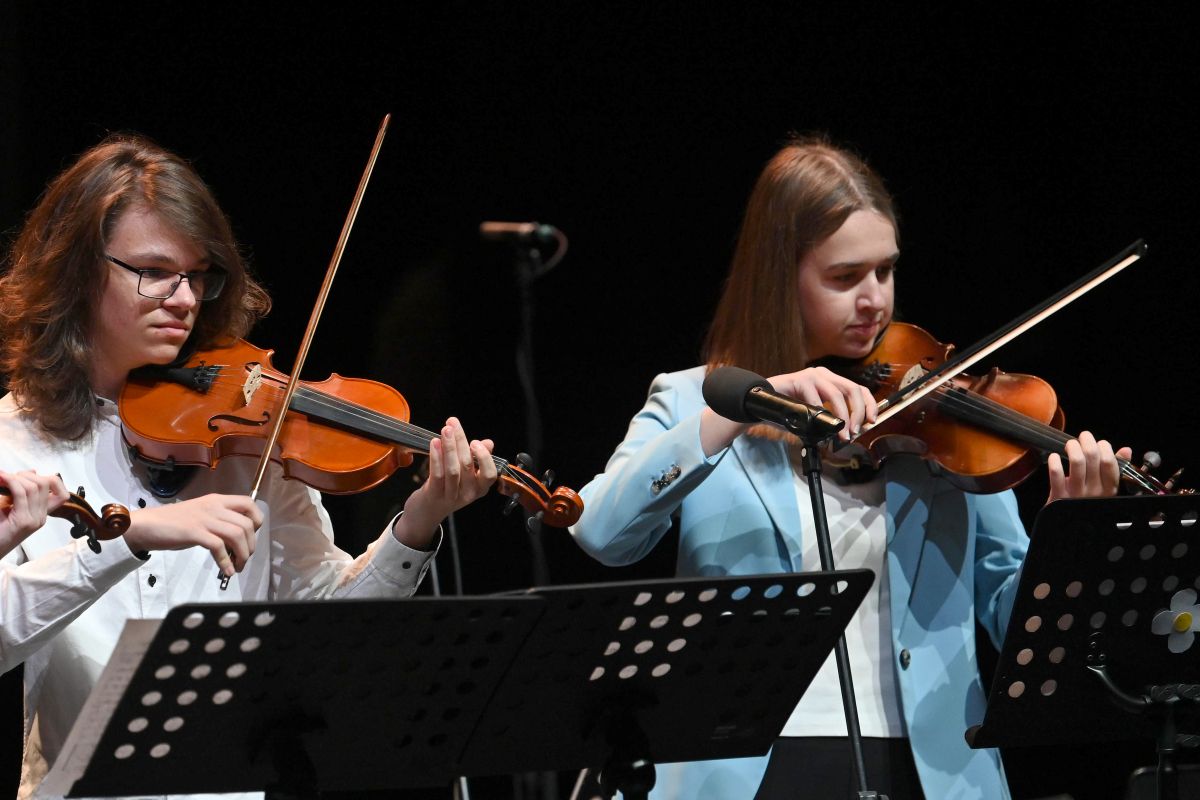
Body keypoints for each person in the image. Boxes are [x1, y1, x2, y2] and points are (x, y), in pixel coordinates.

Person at [569, 137, 1128, 800]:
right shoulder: (696, 400)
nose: (874, 300)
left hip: (930, 769)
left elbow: (1017, 631)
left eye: (885, 271)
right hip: (746, 767)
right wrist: (737, 408)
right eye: (845, 277)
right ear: (780, 278)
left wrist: (1069, 538)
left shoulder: (943, 423)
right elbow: (601, 532)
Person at [0, 133, 498, 800]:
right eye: (154, 271)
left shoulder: (246, 433)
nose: (184, 298)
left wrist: (420, 519)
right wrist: (128, 538)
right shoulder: (14, 441)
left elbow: (330, 625)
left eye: (198, 275)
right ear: (78, 271)